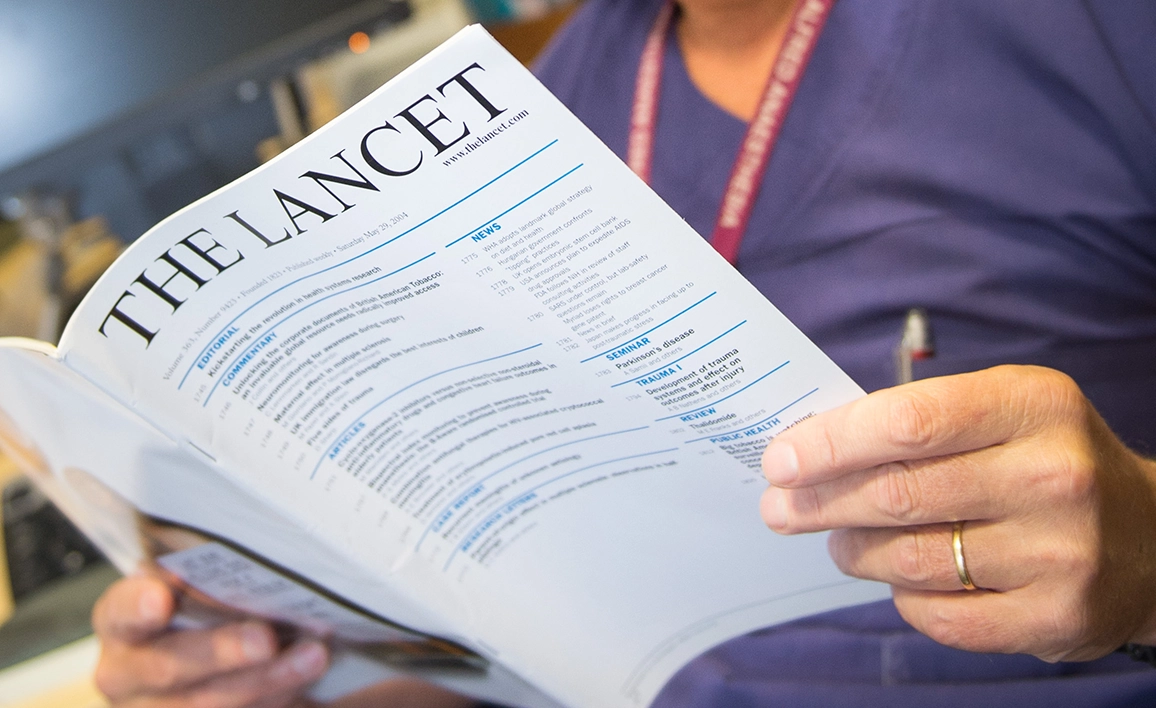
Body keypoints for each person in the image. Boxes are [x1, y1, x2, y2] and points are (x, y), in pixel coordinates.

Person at [91, 0, 1156, 706]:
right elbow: (539, 624)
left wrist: (1147, 564)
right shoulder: (551, 101)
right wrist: (278, 668)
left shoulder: (1083, 31)